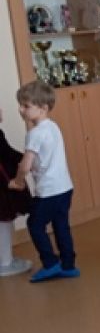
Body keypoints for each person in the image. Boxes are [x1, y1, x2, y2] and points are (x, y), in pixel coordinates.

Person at [10, 80, 78, 283]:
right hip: (65, 188)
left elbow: (25, 165)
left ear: (43, 108)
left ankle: (50, 263)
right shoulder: (53, 126)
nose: (21, 110)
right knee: (61, 225)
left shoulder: (34, 133)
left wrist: (18, 181)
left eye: (26, 106)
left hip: (48, 191)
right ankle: (68, 265)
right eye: (20, 105)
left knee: (34, 224)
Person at [0, 106, 33, 277]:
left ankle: (5, 259)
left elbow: (8, 153)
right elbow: (6, 155)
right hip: (3, 188)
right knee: (3, 223)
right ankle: (5, 262)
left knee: (4, 223)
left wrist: (26, 158)